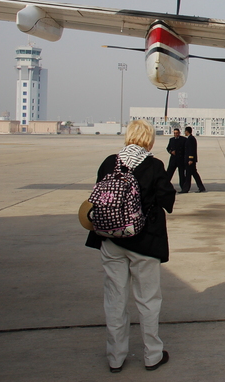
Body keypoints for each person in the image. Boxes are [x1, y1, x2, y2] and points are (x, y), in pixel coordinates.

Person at [85, 119, 176, 373]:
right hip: (144, 242)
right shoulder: (154, 165)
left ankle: (115, 357)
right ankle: (152, 355)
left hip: (111, 239)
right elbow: (167, 198)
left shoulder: (109, 162)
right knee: (148, 300)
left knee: (115, 298)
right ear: (149, 140)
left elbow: (99, 196)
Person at [182, 126, 206, 193]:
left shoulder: (190, 139)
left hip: (190, 161)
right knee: (194, 174)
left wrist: (190, 159)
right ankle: (201, 187)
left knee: (189, 175)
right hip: (190, 160)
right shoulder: (191, 138)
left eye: (185, 131)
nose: (184, 133)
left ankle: (186, 189)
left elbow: (191, 150)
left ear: (187, 131)